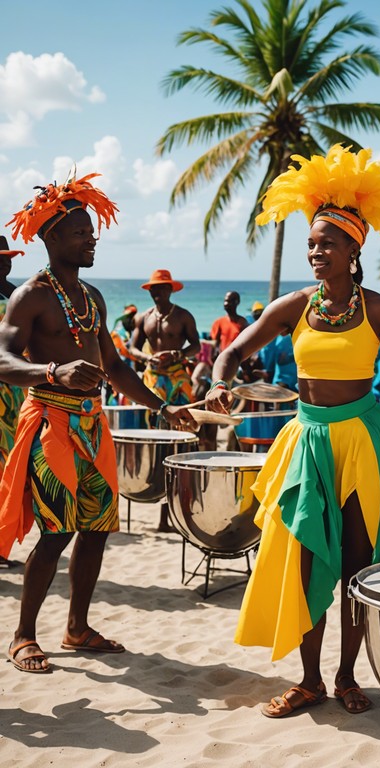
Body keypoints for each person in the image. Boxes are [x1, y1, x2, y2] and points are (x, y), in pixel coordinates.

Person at [206, 145, 380, 717]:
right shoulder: (294, 305)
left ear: (354, 249)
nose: (315, 252)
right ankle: (309, 682)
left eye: (327, 242)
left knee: (357, 564)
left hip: (361, 440)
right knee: (307, 556)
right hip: (308, 441)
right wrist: (219, 382)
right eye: (310, 243)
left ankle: (349, 676)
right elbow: (232, 353)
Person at [0, 174, 195, 673]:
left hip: (93, 424)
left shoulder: (92, 297)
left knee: (97, 529)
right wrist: (52, 370)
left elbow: (116, 365)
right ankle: (23, 636)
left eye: (92, 232)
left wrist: (162, 405)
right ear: (51, 239)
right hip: (50, 422)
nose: (92, 239)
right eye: (81, 233)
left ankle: (76, 628)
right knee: (57, 531)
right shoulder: (31, 296)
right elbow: (1, 359)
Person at [130, 269, 201, 531]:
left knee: (180, 437)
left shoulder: (183, 316)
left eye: (162, 288)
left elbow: (196, 345)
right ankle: (157, 502)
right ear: (150, 291)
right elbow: (131, 346)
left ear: (170, 290)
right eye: (154, 289)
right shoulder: (143, 318)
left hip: (177, 378)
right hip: (152, 380)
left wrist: (179, 355)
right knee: (156, 438)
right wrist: (147, 357)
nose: (158, 293)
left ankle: (174, 507)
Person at [0, 235, 26, 569]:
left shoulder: (16, 294)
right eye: (0, 257)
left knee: (10, 470)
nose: (6, 262)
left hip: (16, 394)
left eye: (8, 256)